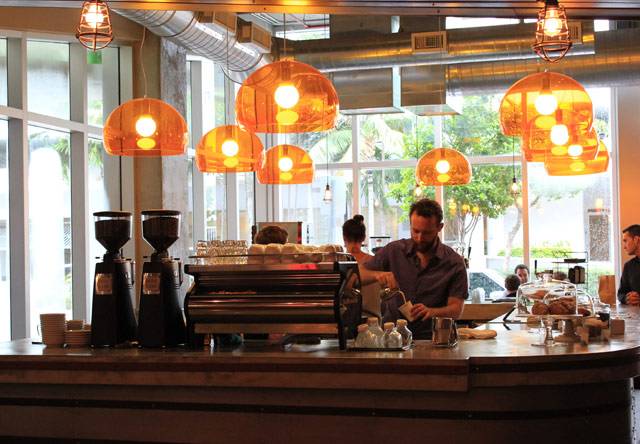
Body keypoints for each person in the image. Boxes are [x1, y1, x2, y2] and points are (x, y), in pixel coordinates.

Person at [360, 198, 468, 339]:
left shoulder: (454, 263)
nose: (419, 238)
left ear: (440, 227)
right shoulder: (394, 251)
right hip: (393, 340)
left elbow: (456, 310)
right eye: (415, 231)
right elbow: (356, 276)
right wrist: (376, 275)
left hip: (434, 341)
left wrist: (432, 311)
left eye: (427, 233)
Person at [342, 215, 381, 317]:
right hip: (372, 318)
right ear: (364, 237)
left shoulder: (341, 263)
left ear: (344, 237)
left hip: (348, 317)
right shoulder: (374, 262)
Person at [618, 224, 640, 305]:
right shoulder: (628, 266)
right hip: (634, 312)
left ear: (636, 239)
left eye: (625, 241)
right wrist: (626, 298)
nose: (624, 247)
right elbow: (620, 293)